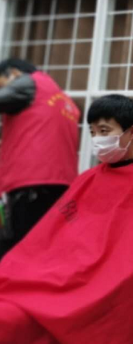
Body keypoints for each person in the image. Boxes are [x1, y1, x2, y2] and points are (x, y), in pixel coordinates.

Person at [0, 94, 133, 344]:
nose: (97, 139)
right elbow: (48, 237)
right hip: (55, 275)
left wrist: (91, 275)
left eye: (104, 131)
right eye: (92, 132)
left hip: (99, 285)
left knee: (10, 322)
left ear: (132, 132)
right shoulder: (88, 179)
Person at [0, 58, 80, 260]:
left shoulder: (29, 82)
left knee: (18, 250)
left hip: (31, 182)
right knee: (43, 251)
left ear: (13, 73)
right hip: (62, 186)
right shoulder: (64, 99)